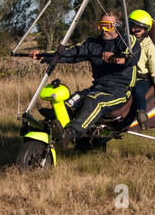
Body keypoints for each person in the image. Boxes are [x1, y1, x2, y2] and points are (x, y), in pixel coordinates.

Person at [33, 13, 139, 147]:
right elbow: (72, 53)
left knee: (95, 102)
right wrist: (44, 55)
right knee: (70, 102)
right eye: (101, 26)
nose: (103, 30)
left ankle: (71, 134)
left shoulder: (127, 41)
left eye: (107, 26)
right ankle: (51, 123)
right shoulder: (93, 43)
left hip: (119, 91)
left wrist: (116, 58)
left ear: (117, 26)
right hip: (97, 88)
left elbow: (132, 57)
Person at [127, 9, 155, 129]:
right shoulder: (125, 41)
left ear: (145, 30)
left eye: (138, 29)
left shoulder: (149, 47)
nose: (134, 31)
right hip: (126, 77)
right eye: (132, 27)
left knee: (138, 92)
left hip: (141, 79)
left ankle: (142, 116)